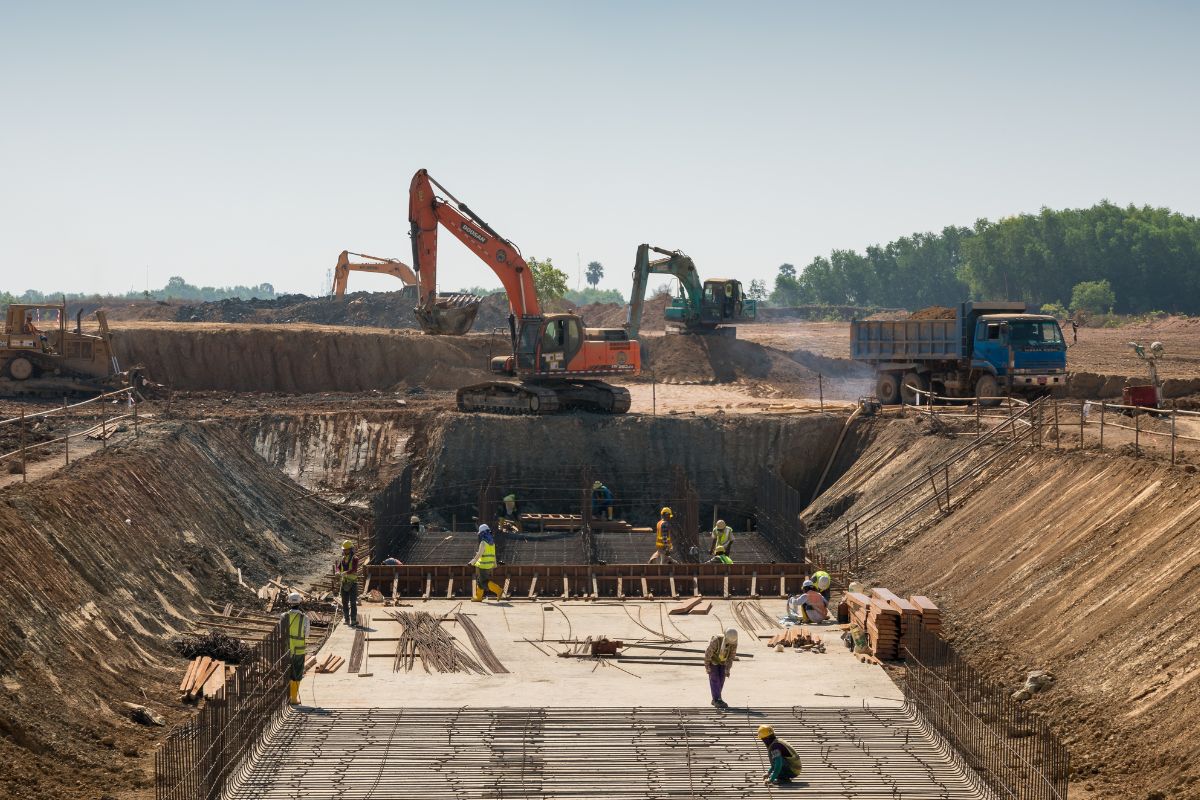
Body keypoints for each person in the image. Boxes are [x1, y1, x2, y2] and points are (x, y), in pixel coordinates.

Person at [281, 592, 309, 706]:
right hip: (299, 650)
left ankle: (287, 697)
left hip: (286, 650)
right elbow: (306, 635)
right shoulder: (305, 618)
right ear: (300, 602)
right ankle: (293, 698)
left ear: (289, 602)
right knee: (297, 674)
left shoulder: (283, 616)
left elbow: (280, 632)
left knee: (287, 673)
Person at [704, 628, 738, 708]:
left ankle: (716, 698)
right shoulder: (716, 640)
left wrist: (728, 669)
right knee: (715, 679)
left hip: (723, 662)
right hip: (713, 661)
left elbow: (731, 656)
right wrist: (707, 666)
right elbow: (708, 653)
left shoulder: (733, 641)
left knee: (721, 679)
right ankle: (717, 700)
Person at [469, 524, 503, 602]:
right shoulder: (492, 543)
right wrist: (495, 564)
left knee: (483, 582)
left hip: (483, 565)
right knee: (480, 581)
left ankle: (498, 590)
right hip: (489, 565)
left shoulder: (483, 543)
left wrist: (472, 562)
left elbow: (479, 554)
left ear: (482, 533)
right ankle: (479, 597)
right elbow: (493, 554)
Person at [336, 540, 360, 627]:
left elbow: (354, 569)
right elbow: (338, 567)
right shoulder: (342, 559)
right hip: (344, 583)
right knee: (344, 602)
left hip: (352, 583)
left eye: (346, 550)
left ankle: (353, 619)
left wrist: (345, 573)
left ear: (350, 549)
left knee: (353, 602)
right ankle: (346, 619)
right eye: (344, 550)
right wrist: (337, 572)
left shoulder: (355, 558)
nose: (345, 551)